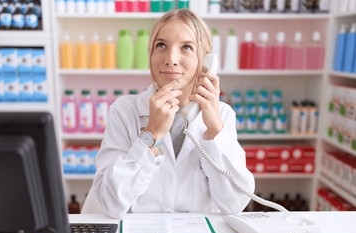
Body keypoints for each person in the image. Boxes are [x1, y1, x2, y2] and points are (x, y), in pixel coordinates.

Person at [83, 9, 255, 218]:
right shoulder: (124, 110)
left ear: (206, 60)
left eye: (187, 47)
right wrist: (151, 135)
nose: (171, 59)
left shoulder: (223, 115)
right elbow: (110, 202)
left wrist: (214, 131)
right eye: (161, 45)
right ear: (150, 54)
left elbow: (234, 203)